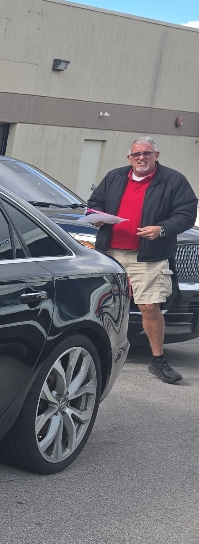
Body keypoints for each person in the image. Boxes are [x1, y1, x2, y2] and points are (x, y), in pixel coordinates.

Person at [86, 136, 197, 383]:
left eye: (147, 153)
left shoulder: (173, 180)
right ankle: (106, 353)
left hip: (148, 256)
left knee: (149, 306)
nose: (142, 158)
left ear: (156, 155)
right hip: (110, 254)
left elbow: (187, 213)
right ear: (129, 157)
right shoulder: (114, 177)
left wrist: (162, 229)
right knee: (108, 305)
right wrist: (96, 217)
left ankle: (158, 360)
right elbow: (94, 204)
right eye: (137, 154)